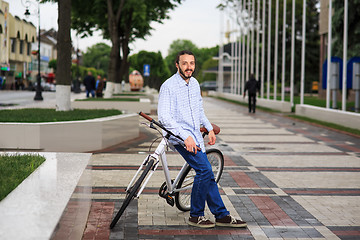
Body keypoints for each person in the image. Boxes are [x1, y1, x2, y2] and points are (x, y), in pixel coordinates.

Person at [158, 50, 247, 229]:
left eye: (191, 63)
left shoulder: (195, 84)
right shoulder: (168, 86)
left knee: (208, 176)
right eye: (184, 63)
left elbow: (199, 111)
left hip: (196, 136)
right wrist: (186, 137)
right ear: (177, 65)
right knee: (205, 171)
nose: (188, 67)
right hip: (180, 138)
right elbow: (165, 118)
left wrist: (209, 128)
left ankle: (221, 215)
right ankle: (196, 215)